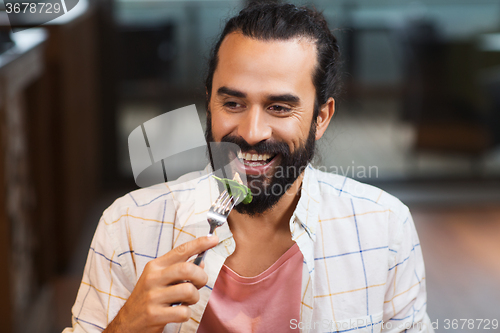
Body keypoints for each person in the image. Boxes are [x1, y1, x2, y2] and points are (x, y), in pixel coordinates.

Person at [64, 2, 433, 332]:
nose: (251, 133)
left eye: (279, 107)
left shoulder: (383, 227)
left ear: (321, 118)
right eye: (233, 104)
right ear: (209, 103)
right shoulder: (127, 227)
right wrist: (125, 327)